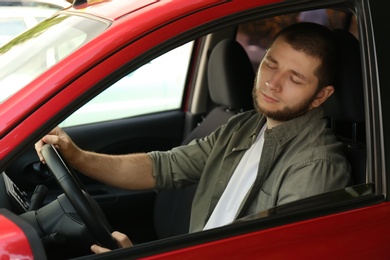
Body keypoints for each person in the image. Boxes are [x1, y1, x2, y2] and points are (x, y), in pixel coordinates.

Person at [35, 22, 351, 253]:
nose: (273, 83)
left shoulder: (317, 165)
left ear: (320, 96)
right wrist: (76, 156)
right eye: (270, 64)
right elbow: (162, 168)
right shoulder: (243, 126)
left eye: (294, 78)